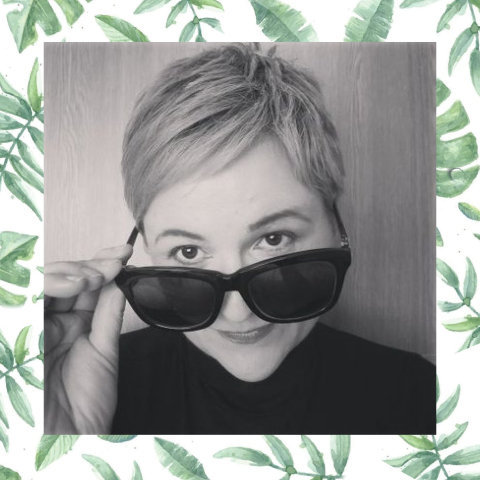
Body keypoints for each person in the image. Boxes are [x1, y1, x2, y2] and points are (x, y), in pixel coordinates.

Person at [45, 43, 435, 434]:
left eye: (274, 238)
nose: (238, 313)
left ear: (337, 227)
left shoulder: (420, 398)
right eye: (188, 251)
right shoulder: (77, 387)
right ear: (145, 246)